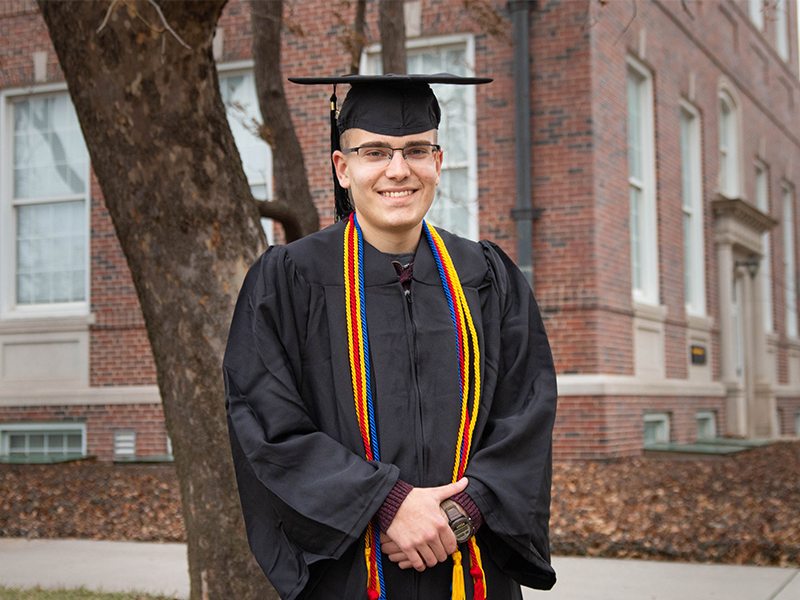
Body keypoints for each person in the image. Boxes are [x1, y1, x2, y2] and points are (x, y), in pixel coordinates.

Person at [224, 74, 557, 600]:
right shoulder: (288, 279)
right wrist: (387, 502)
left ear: (438, 162)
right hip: (353, 573)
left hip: (471, 572)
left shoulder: (487, 276)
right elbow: (264, 420)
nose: (397, 170)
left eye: (416, 151)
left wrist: (462, 514)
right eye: (374, 152)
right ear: (343, 168)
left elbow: (528, 410)